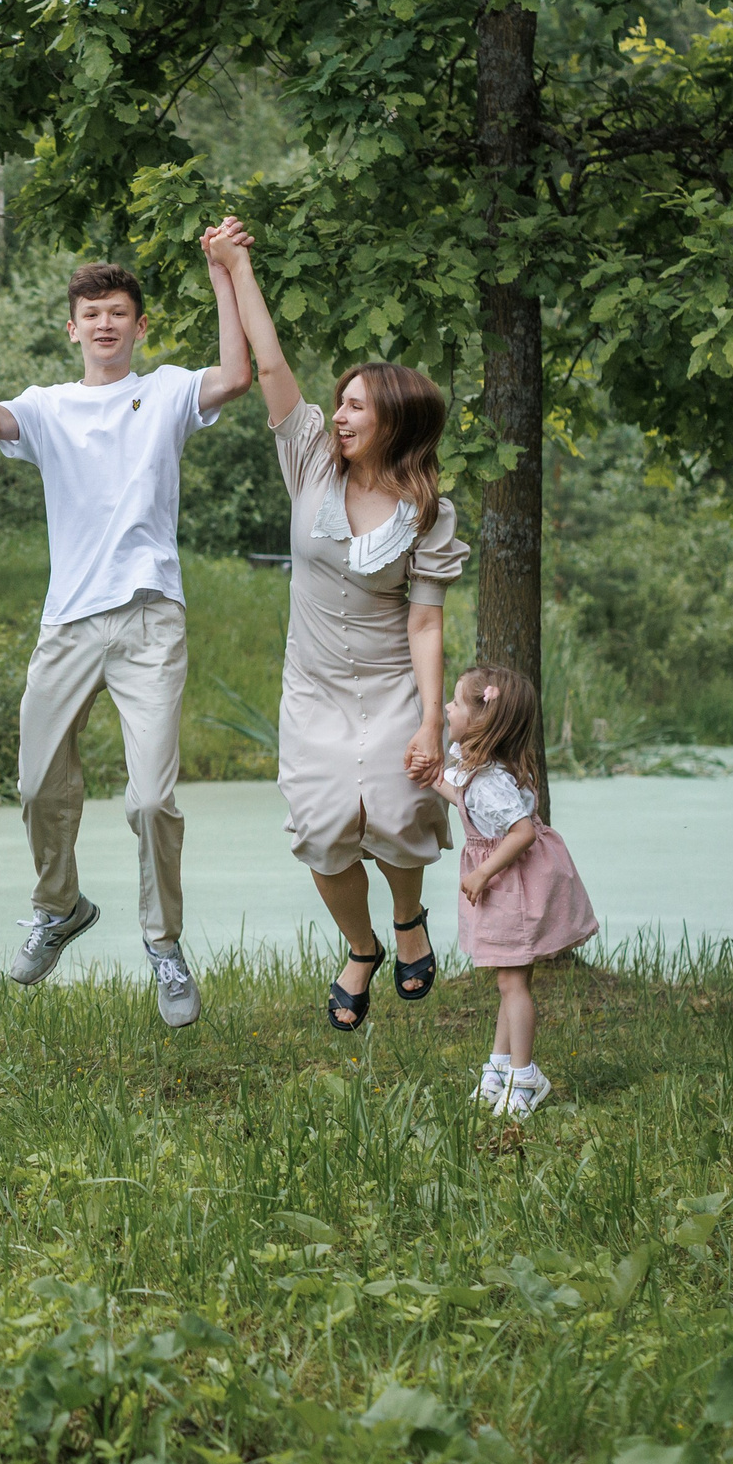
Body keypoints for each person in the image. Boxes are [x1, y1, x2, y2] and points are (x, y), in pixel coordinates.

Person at [0, 249, 254, 1025]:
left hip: (150, 620)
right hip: (69, 622)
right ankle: (60, 906)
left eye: (118, 313)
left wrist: (223, 276)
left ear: (139, 326)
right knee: (38, 785)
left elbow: (237, 376)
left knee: (153, 799)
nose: (105, 324)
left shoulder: (166, 391)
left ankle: (163, 944)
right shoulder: (48, 407)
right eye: (92, 314)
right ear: (71, 328)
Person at [202, 222, 471, 1031]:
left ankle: (409, 917)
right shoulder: (311, 461)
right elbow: (271, 365)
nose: (342, 415)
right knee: (322, 832)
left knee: (400, 814)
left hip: (390, 686)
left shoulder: (428, 511)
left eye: (357, 405)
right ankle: (363, 947)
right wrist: (235, 268)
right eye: (342, 402)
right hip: (313, 689)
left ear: (394, 420)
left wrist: (430, 721)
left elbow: (425, 622)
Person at [433, 663, 599, 1116]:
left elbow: (521, 832)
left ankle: (525, 1078)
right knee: (509, 980)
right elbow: (465, 798)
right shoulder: (483, 773)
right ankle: (500, 1068)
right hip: (509, 885)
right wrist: (432, 779)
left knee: (513, 982)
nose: (447, 707)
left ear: (482, 720)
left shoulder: (491, 783)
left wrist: (483, 873)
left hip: (512, 887)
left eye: (456, 702)